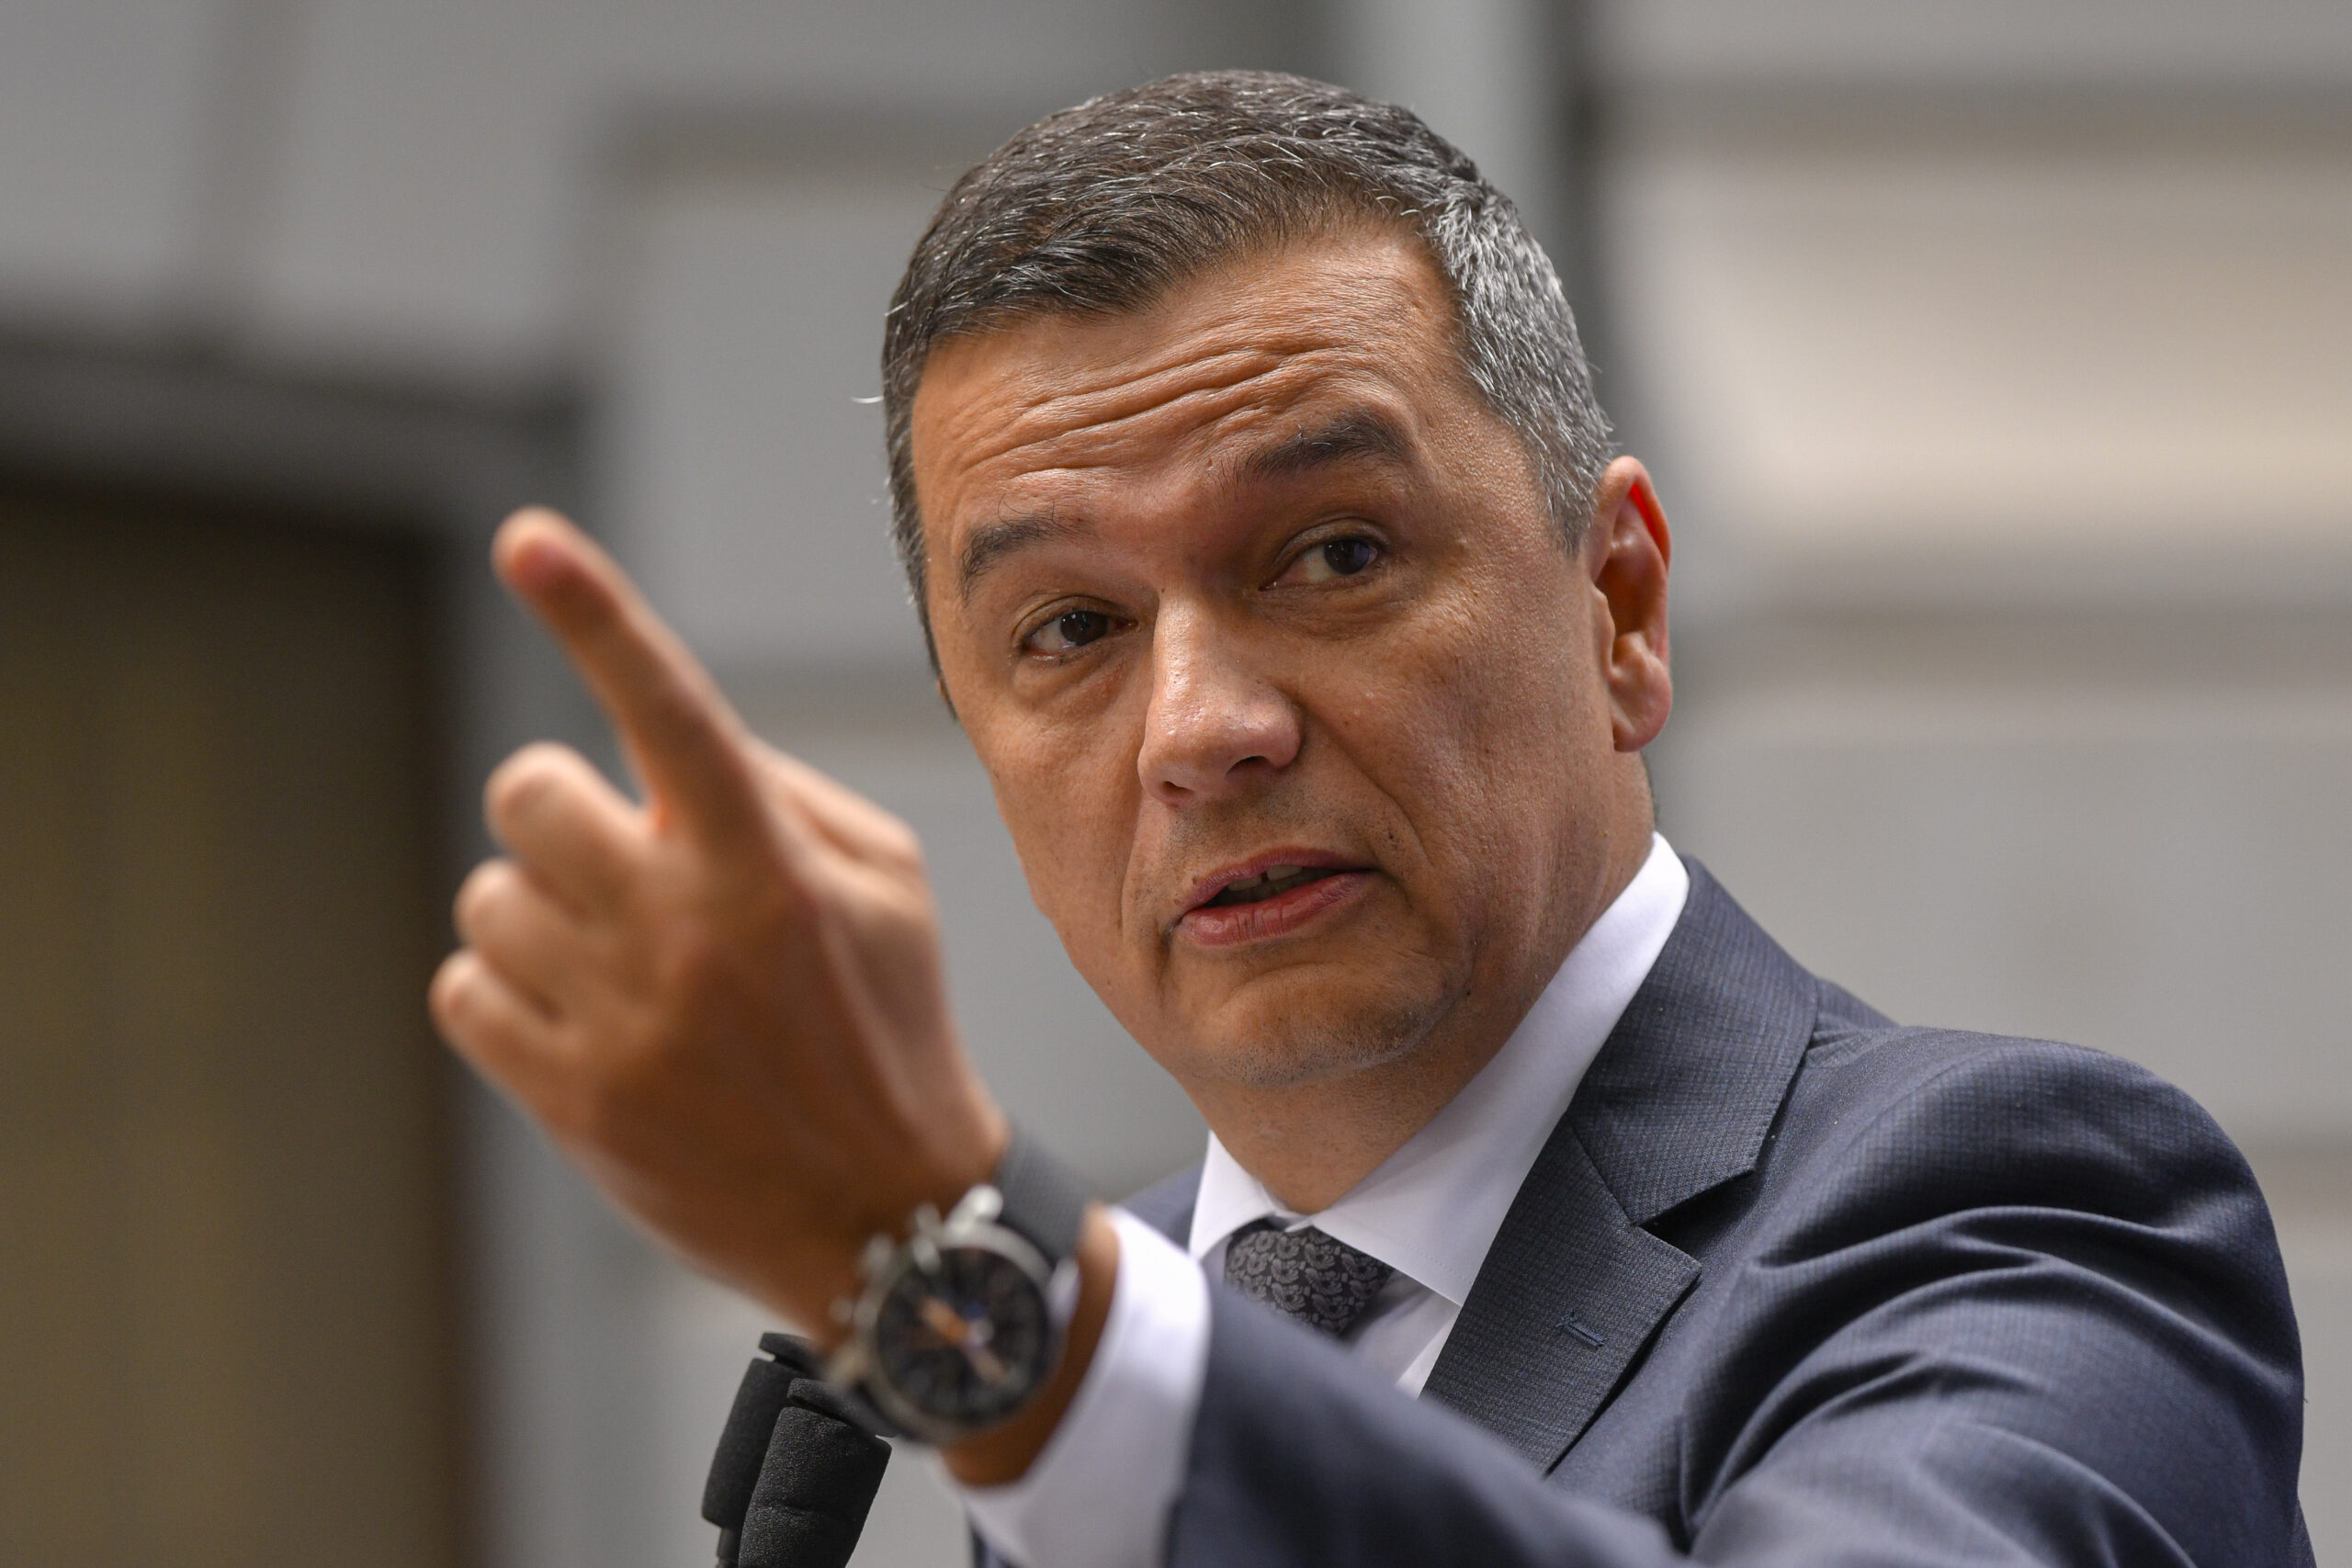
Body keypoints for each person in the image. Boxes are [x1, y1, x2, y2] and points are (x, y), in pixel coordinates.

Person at [428, 71, 2312, 1566]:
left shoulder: (2020, 1209)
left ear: (1618, 609)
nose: (1202, 728)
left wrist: (999, 1311)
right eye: (1070, 629)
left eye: (1331, 554)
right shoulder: (1120, 1327)